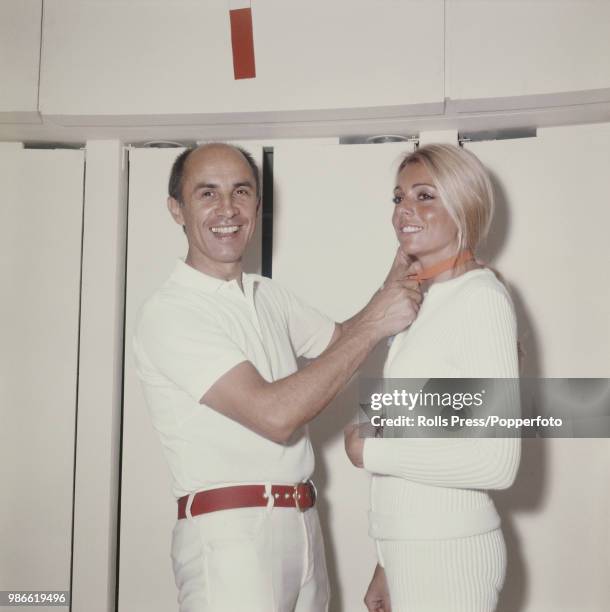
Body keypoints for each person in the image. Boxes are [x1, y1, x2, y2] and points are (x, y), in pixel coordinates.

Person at [132, 142, 422, 612]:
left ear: (257, 205)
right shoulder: (171, 312)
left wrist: (394, 282)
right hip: (232, 536)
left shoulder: (267, 295)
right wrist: (376, 323)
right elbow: (275, 415)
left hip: (302, 522)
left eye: (240, 191)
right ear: (176, 209)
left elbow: (341, 345)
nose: (227, 209)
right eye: (207, 194)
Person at [345, 144, 521, 612]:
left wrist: (370, 451)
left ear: (464, 204)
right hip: (409, 549)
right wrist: (385, 561)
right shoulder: (420, 302)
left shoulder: (481, 299)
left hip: (449, 554)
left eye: (425, 196)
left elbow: (496, 462)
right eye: (399, 198)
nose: (405, 210)